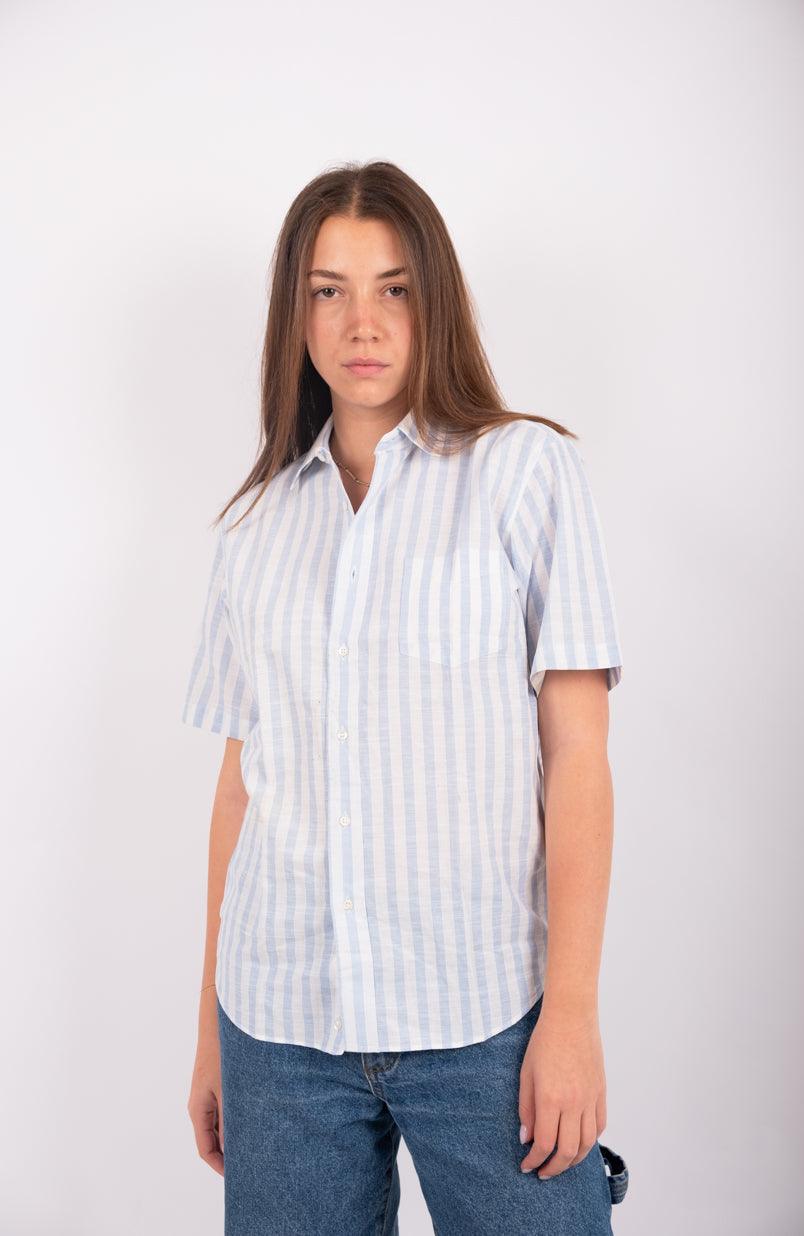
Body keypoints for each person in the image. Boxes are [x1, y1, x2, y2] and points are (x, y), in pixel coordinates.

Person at [182, 159, 630, 1234]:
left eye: (394, 287)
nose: (362, 323)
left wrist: (570, 1015)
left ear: (436, 302)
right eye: (327, 290)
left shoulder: (524, 474)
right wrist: (209, 1033)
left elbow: (577, 754)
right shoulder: (253, 526)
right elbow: (243, 785)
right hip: (279, 1029)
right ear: (295, 315)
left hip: (484, 1020)